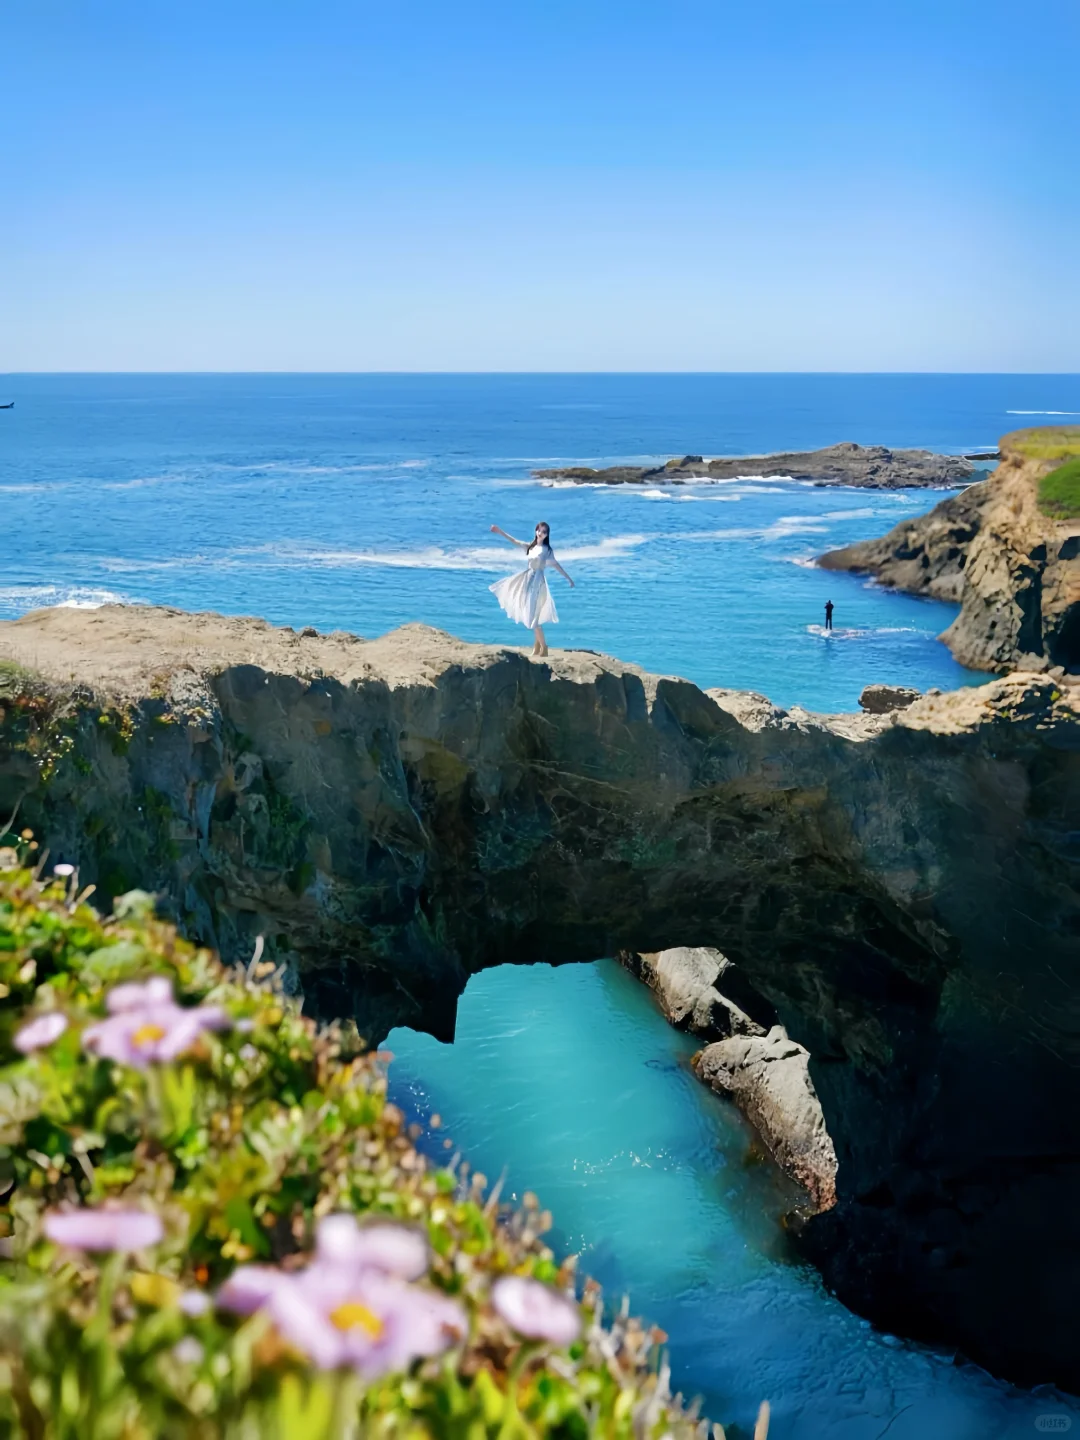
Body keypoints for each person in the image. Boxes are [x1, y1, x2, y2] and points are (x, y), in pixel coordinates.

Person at [488, 521, 574, 657]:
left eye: (544, 532)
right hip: (527, 581)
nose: (541, 533)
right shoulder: (530, 547)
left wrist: (568, 578)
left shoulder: (547, 551)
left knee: (533, 618)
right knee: (531, 614)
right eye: (539, 530)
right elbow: (513, 540)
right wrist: (499, 531)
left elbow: (556, 565)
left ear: (547, 535)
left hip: (538, 584)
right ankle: (537, 644)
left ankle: (544, 647)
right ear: (536, 531)